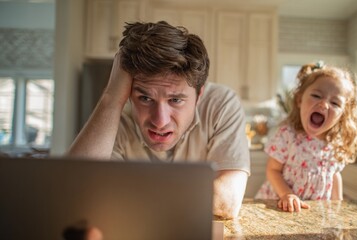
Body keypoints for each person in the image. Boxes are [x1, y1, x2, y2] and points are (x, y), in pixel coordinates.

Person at [67, 21, 250, 219]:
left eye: (175, 100)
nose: (160, 121)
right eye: (145, 98)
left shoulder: (221, 104)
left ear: (199, 96)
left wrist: (120, 186)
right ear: (128, 93)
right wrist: (111, 99)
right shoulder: (117, 113)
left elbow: (226, 202)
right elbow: (73, 191)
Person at [255, 62, 357, 212]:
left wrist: (338, 207)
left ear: (343, 114)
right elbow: (273, 170)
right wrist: (287, 195)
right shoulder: (288, 135)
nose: (323, 104)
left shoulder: (336, 143)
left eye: (335, 103)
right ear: (299, 100)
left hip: (313, 212)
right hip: (278, 208)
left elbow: (334, 175)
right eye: (316, 96)